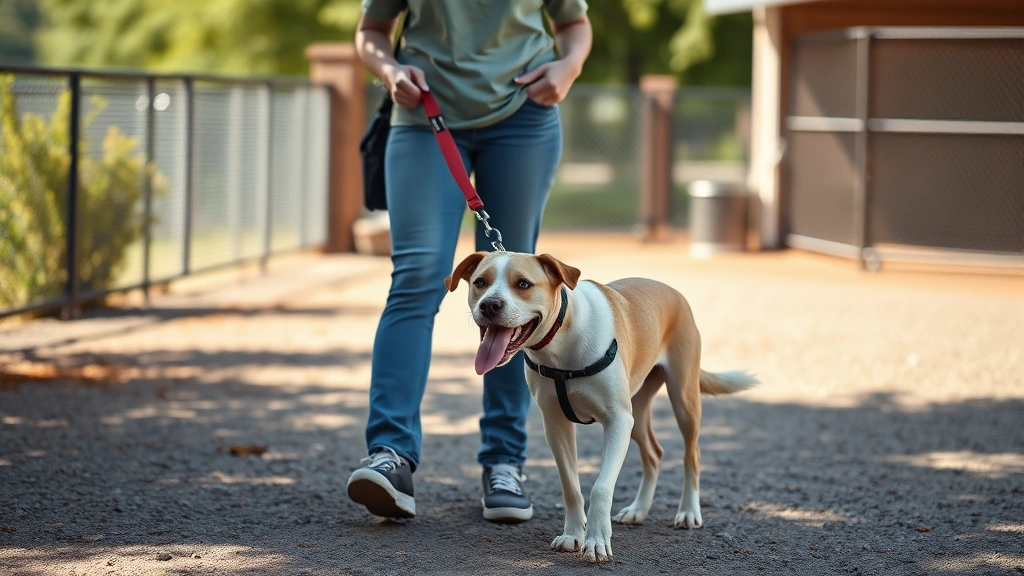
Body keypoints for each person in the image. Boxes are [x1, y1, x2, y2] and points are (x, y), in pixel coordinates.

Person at [346, 0, 592, 523]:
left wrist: (568, 67)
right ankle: (390, 454)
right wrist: (389, 70)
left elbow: (574, 23)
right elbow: (371, 31)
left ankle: (504, 461)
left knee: (518, 294)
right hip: (424, 115)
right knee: (416, 278)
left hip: (523, 117)